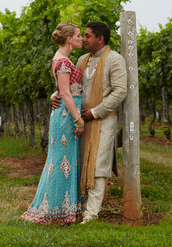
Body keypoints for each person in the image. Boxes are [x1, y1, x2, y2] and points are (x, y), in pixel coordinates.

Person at [51, 21, 127, 224]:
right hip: (81, 120)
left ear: (100, 39)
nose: (84, 39)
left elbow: (120, 91)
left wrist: (95, 112)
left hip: (102, 120)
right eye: (82, 35)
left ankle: (91, 214)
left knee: (98, 166)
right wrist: (54, 95)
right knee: (82, 163)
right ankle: (81, 208)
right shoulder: (83, 59)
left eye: (88, 36)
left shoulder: (114, 60)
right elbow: (70, 84)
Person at [21, 22, 85, 225]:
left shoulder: (58, 59)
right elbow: (65, 92)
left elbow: (59, 88)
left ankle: (62, 209)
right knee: (61, 163)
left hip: (63, 113)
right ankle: (56, 210)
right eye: (78, 35)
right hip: (67, 116)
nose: (81, 38)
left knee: (60, 162)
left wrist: (53, 94)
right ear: (69, 39)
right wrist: (78, 118)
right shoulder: (64, 61)